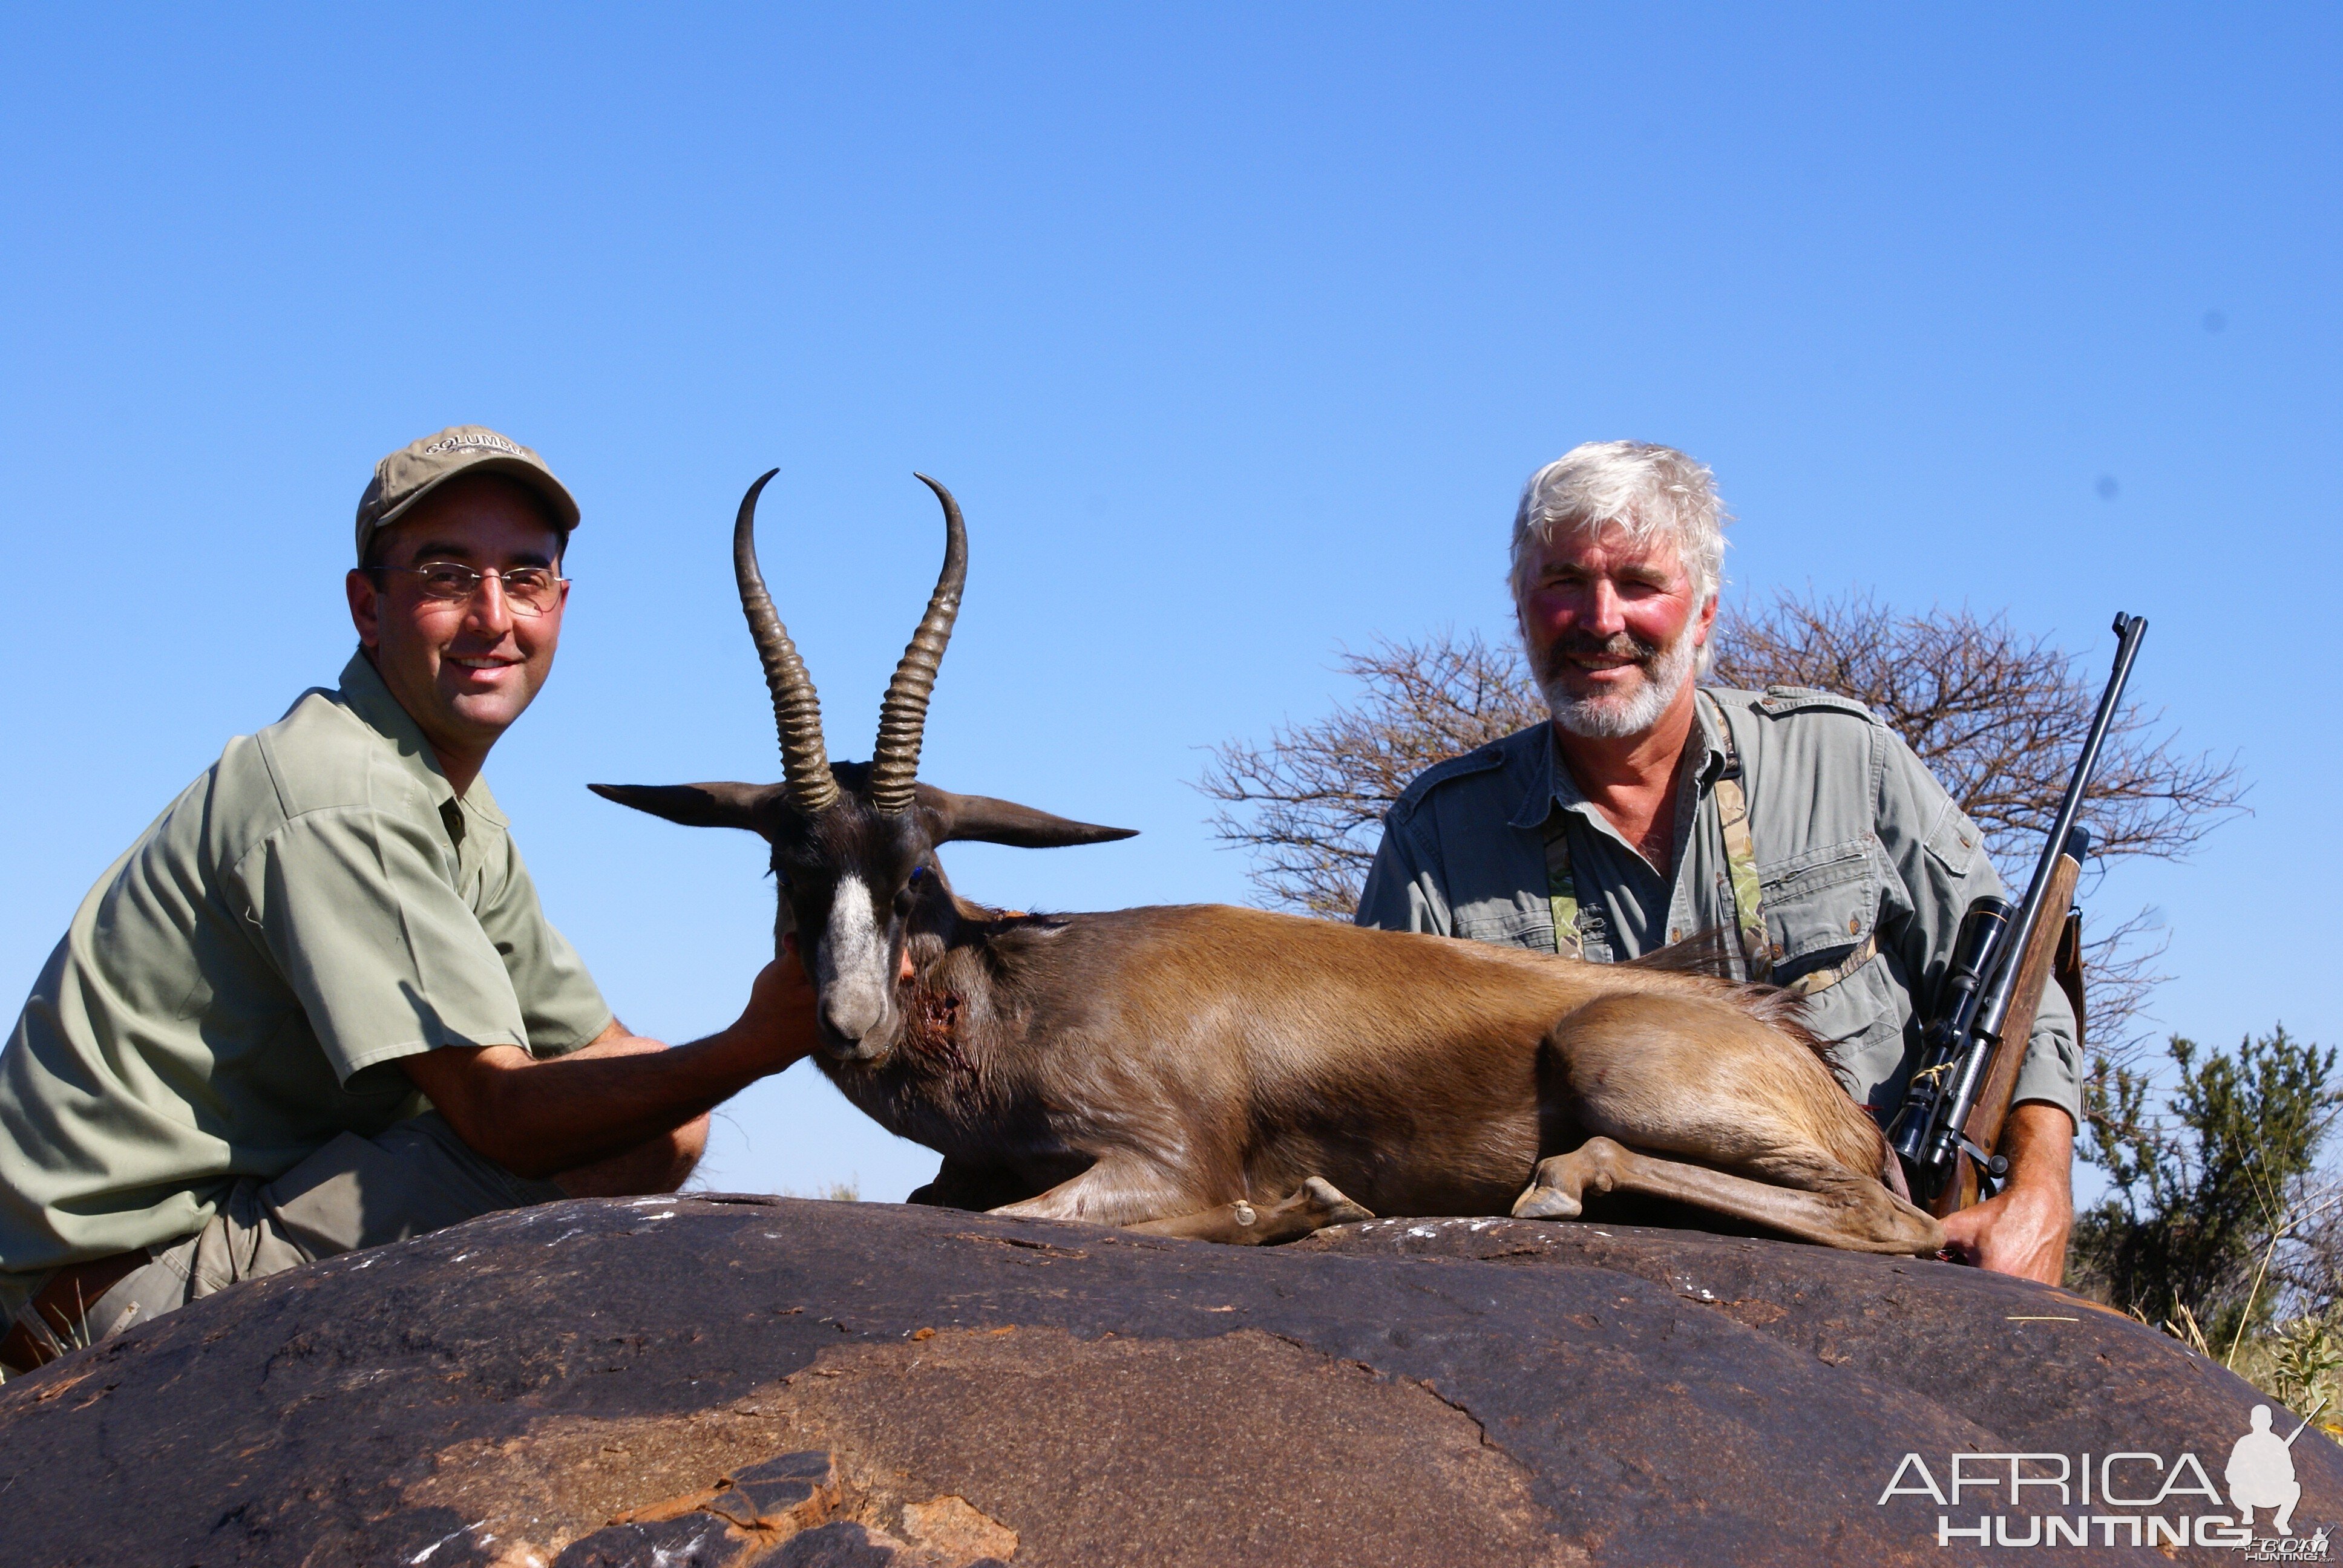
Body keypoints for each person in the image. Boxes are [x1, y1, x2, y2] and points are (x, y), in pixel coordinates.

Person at [0, 426, 818, 1371]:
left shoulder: (451, 805)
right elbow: (501, 1114)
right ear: (367, 605)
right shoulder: (339, 794)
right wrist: (755, 1046)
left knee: (652, 1107)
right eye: (444, 575)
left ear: (560, 601)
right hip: (119, 1290)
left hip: (215, 1227)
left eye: (526, 577)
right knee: (638, 1128)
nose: (493, 617)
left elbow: (600, 1050)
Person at [1355, 440, 2079, 1282]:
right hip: (1578, 1289)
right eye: (1563, 583)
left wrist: (2039, 1190)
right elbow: (1388, 1106)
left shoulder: (1849, 759)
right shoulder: (1438, 832)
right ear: (1521, 609)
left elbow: (2016, 996)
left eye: (1638, 583)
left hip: (1882, 1252)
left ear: (1701, 614)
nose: (1600, 620)